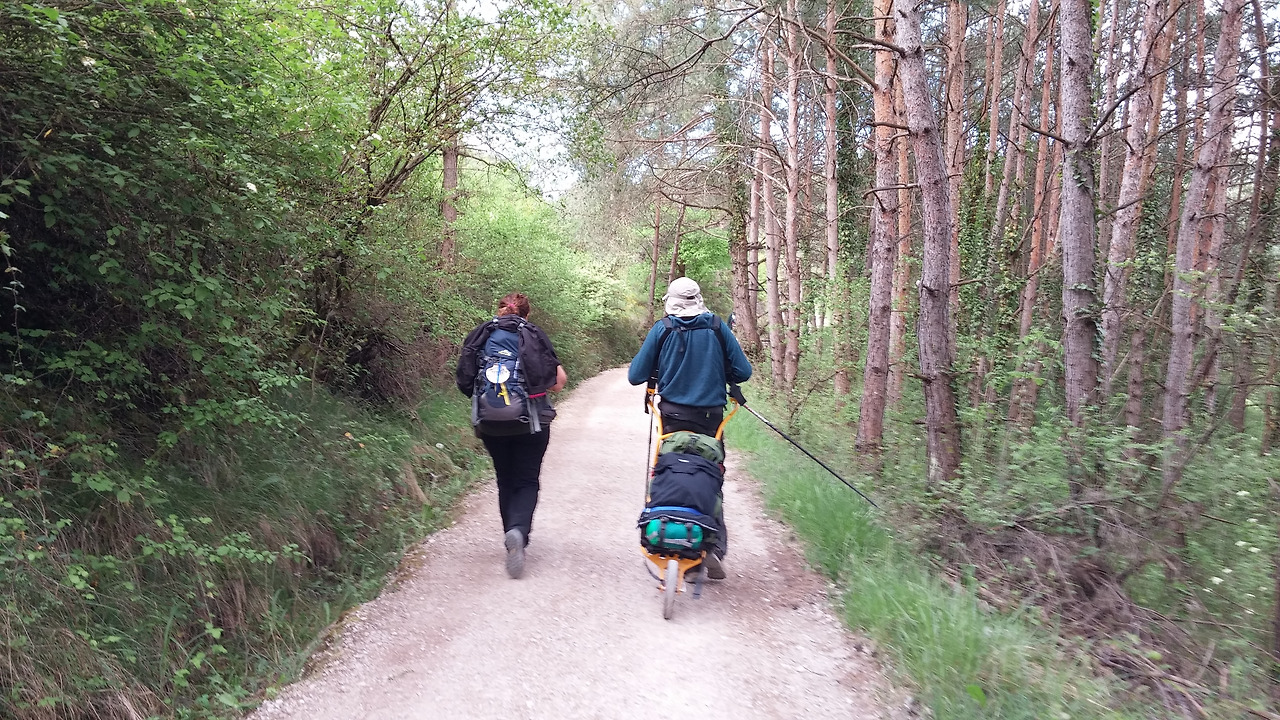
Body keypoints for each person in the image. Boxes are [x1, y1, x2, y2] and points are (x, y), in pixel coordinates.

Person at [628, 277, 752, 578]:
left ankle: (669, 537)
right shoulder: (717, 327)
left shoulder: (663, 329)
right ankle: (712, 547)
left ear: (671, 302)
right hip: (710, 419)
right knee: (709, 475)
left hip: (672, 417)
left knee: (671, 471)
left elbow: (635, 375)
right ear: (698, 300)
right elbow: (743, 371)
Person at [456, 292, 567, 579]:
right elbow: (558, 383)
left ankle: (510, 534)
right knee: (527, 479)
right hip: (531, 423)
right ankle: (518, 531)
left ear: (500, 311)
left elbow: (465, 380)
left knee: (504, 479)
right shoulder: (532, 335)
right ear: (527, 314)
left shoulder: (483, 335)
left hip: (490, 423)